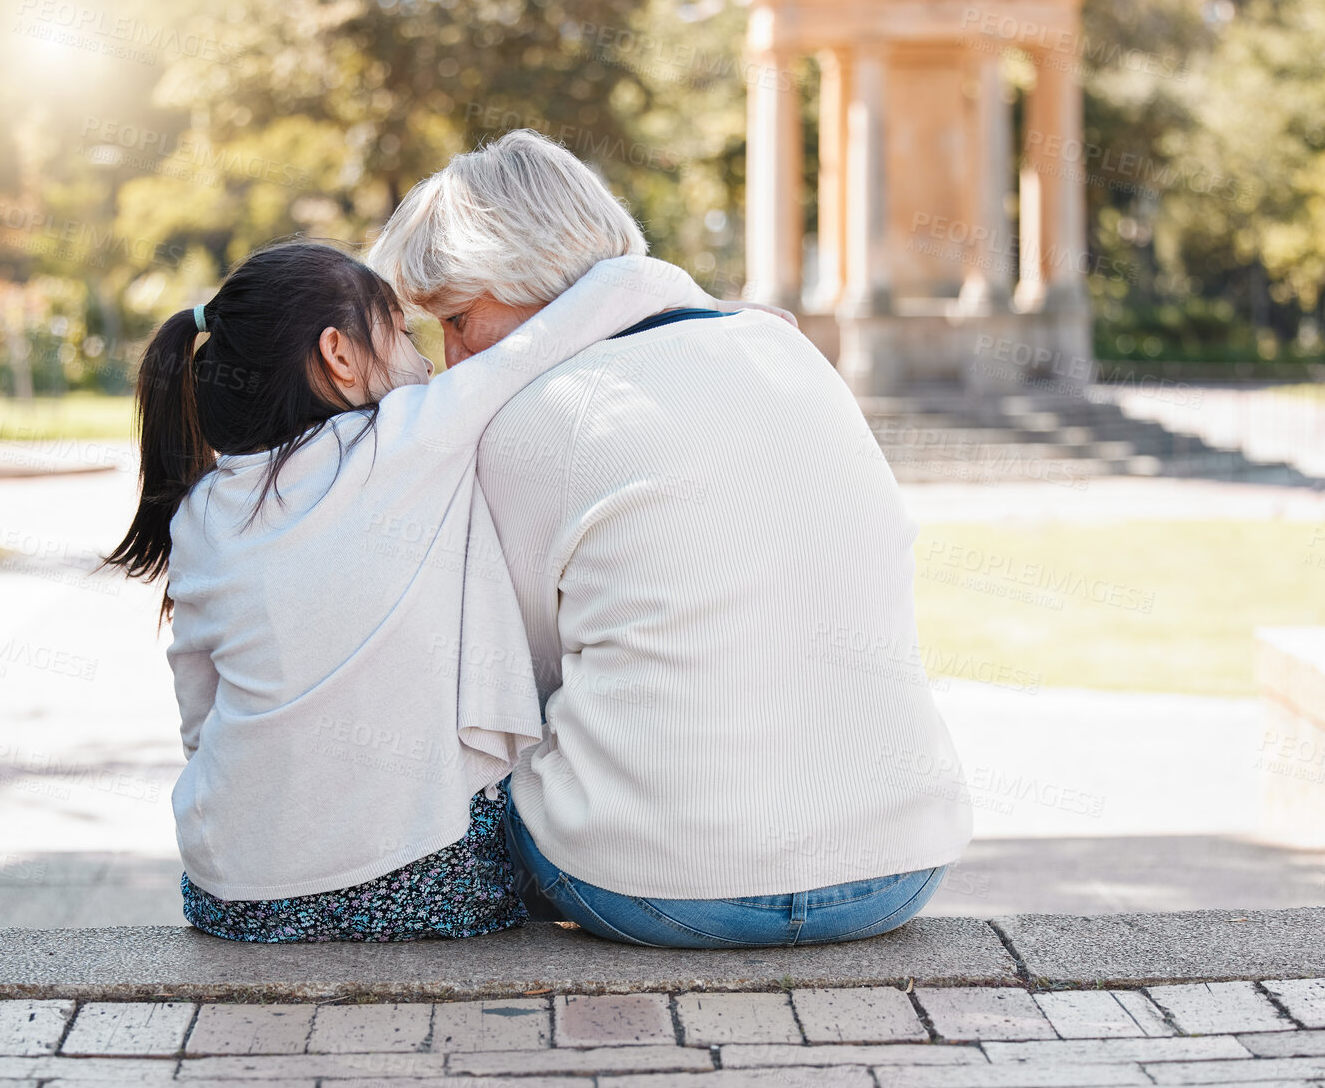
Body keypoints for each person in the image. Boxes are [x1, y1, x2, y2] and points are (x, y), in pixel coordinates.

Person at [369, 129, 974, 948]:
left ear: (518, 278)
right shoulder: (786, 351)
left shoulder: (537, 417)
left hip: (656, 889)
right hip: (898, 869)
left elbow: (511, 680)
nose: (451, 356)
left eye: (458, 317)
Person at [103, 239, 726, 941]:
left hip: (235, 893)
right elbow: (598, 302)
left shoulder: (203, 510)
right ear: (338, 355)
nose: (427, 360)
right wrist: (723, 320)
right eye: (398, 332)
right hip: (428, 884)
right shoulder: (407, 437)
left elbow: (198, 713)